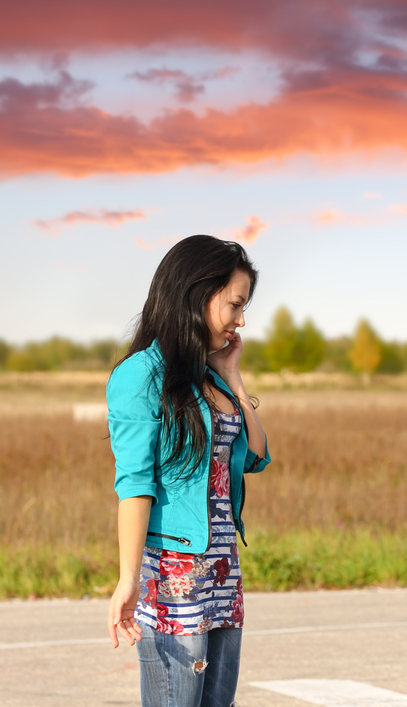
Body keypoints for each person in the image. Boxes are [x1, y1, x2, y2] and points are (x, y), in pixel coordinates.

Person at [105, 235, 270, 707]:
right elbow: (135, 485)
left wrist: (234, 377)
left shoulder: (212, 374)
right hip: (173, 575)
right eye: (236, 304)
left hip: (222, 569)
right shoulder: (141, 375)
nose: (241, 320)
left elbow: (256, 455)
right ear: (198, 292)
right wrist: (127, 578)